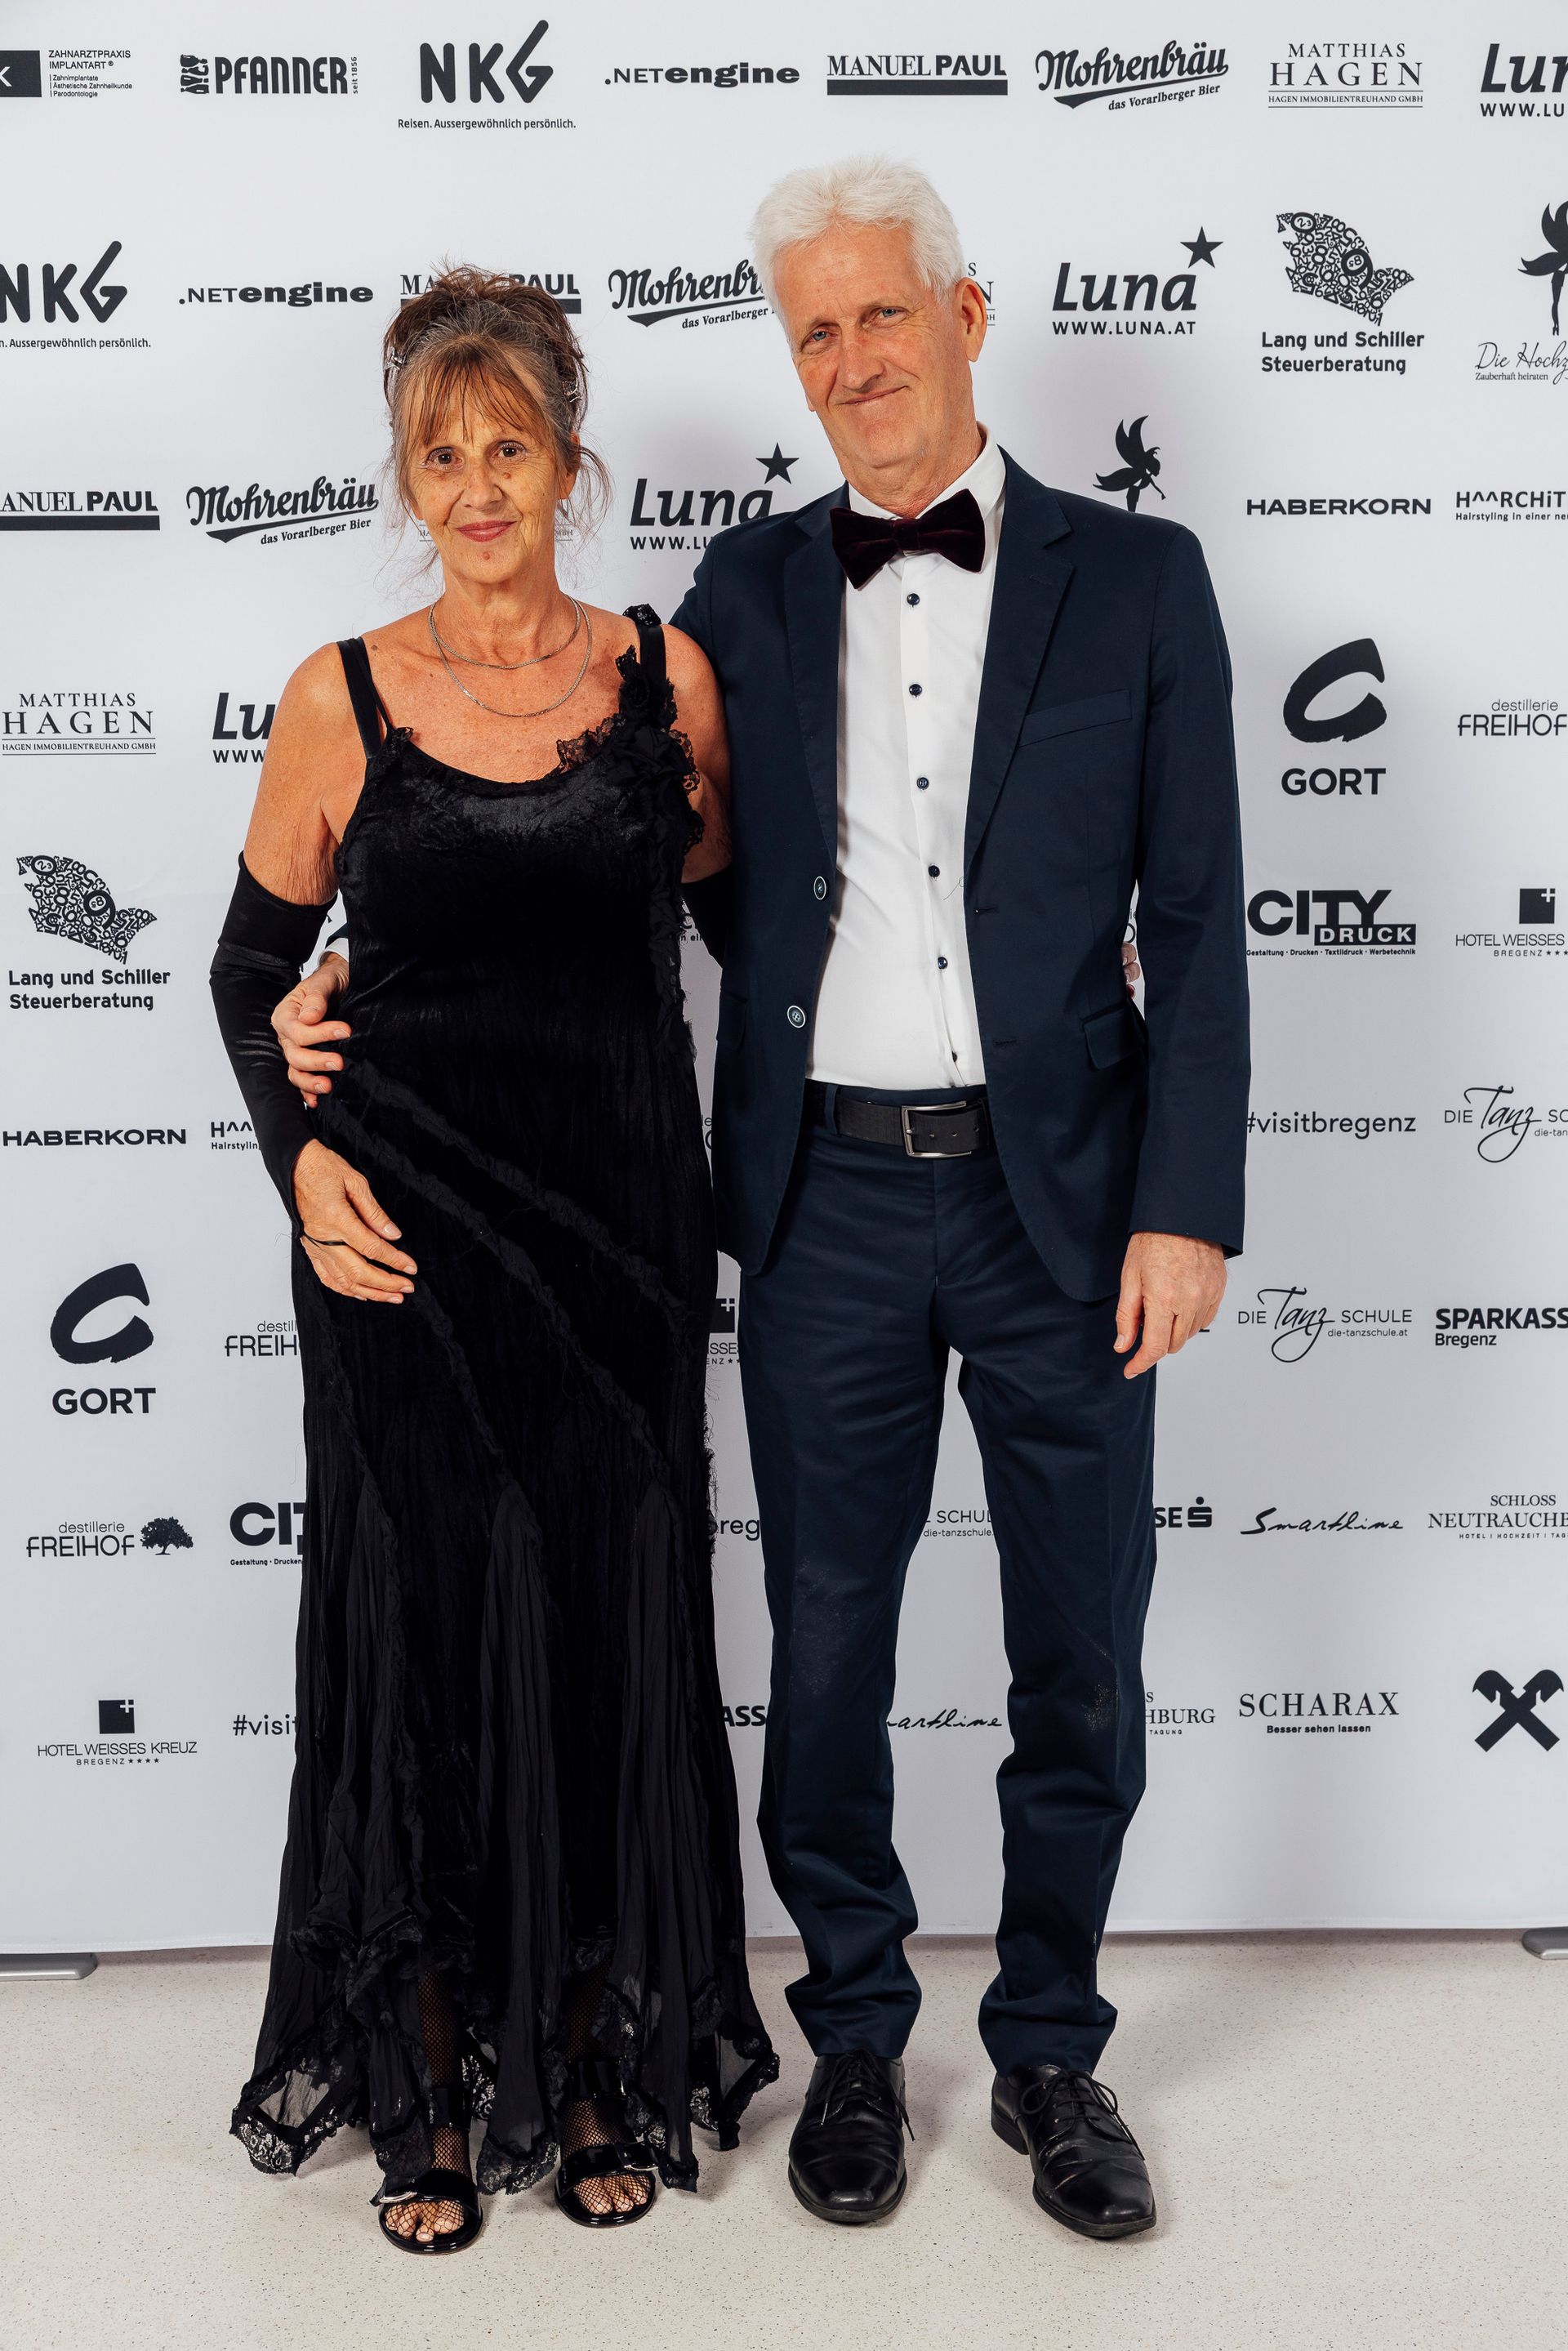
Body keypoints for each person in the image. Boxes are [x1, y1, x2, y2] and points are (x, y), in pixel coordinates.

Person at [276, 158, 1248, 2242]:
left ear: (966, 316)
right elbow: (629, 860)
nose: (853, 359)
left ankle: (1052, 2047)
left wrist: (1189, 1200)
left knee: (1082, 1652)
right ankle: (858, 2043)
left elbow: (1201, 918)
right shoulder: (737, 597)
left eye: (884, 313)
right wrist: (345, 1002)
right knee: (825, 1656)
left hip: (1075, 1211)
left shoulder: (1145, 581)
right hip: (821, 1207)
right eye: (815, 329)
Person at [210, 267, 776, 2254]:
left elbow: (756, 938)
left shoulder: (665, 677)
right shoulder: (340, 694)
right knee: (430, 1631)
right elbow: (248, 971)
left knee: (616, 1624)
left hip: (621, 1228)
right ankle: (430, 2069)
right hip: (402, 1242)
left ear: (568, 461)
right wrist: (299, 1164)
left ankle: (603, 2056)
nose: (473, 485)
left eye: (507, 446)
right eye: (438, 452)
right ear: (406, 471)